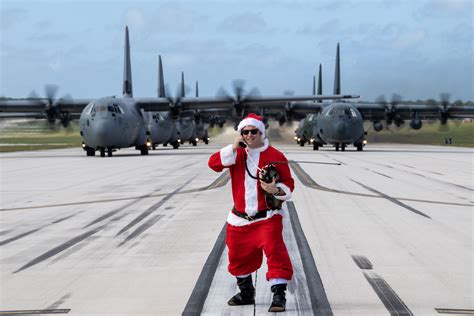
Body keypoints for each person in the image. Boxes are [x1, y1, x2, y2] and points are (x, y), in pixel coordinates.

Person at [208, 113, 295, 312]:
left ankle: (278, 295)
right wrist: (233, 147)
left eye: (253, 131)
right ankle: (246, 292)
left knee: (275, 252)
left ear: (261, 133)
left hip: (267, 218)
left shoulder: (275, 156)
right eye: (245, 132)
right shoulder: (236, 155)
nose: (249, 135)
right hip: (239, 219)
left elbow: (289, 184)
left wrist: (276, 190)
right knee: (237, 256)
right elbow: (213, 164)